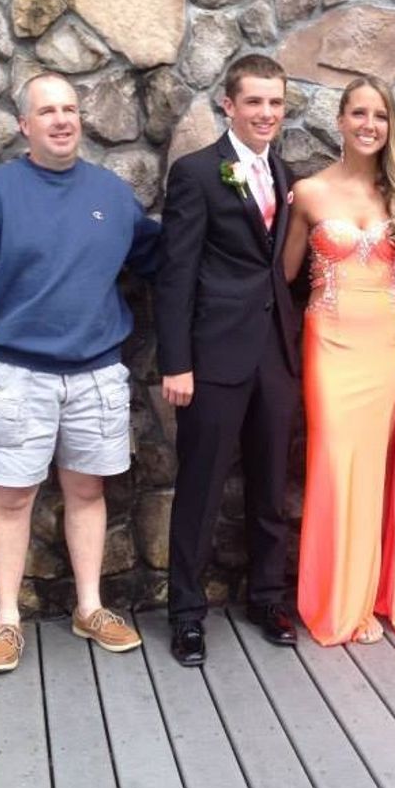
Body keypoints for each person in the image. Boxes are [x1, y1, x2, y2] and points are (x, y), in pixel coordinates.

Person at [0, 72, 160, 673]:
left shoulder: (112, 195)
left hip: (96, 374)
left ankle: (90, 607)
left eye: (70, 109)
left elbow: (162, 259)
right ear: (24, 125)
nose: (62, 120)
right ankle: (7, 620)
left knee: (88, 492)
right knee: (12, 499)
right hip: (16, 375)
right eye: (47, 111)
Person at [155, 54, 299, 666]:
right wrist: (176, 362)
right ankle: (187, 614)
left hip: (275, 355)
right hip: (213, 356)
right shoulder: (197, 173)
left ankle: (267, 597)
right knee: (202, 487)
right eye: (255, 102)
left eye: (275, 102)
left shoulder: (286, 174)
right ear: (229, 105)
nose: (266, 113)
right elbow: (176, 273)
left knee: (271, 486)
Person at [283, 76, 395, 646]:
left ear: (390, 126)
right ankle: (342, 601)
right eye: (360, 113)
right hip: (330, 344)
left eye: (380, 115)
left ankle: (377, 596)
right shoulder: (309, 192)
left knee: (381, 469)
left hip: (387, 345)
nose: (370, 124)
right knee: (337, 464)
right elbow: (283, 275)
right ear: (340, 120)